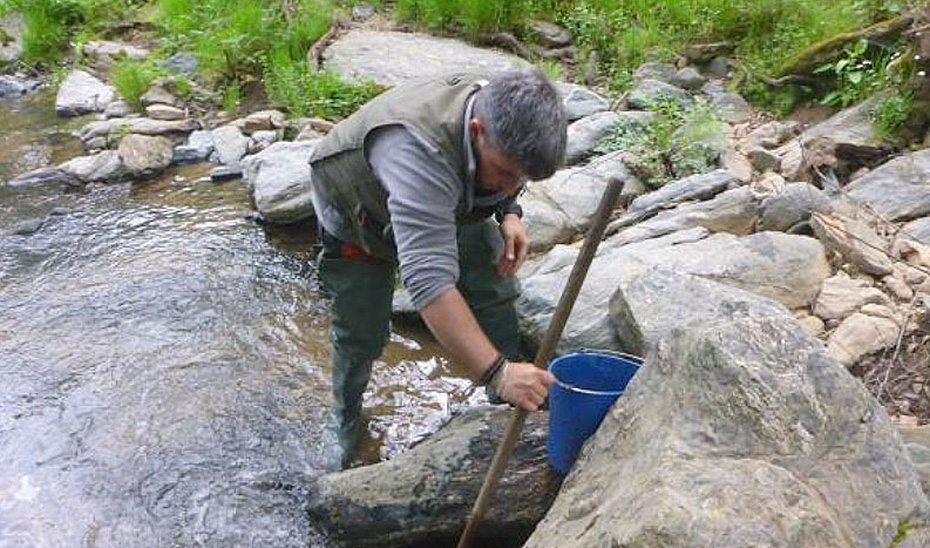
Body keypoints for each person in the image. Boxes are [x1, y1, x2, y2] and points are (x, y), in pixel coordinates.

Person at [308, 69, 567, 469]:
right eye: (504, 173)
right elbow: (428, 282)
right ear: (477, 131)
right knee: (361, 329)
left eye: (521, 178)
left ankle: (518, 389)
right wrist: (495, 372)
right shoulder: (415, 149)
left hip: (447, 196)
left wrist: (510, 212)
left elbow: (511, 173)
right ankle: (345, 416)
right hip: (357, 212)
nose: (510, 184)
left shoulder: (503, 115)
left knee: (492, 280)